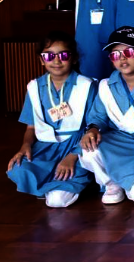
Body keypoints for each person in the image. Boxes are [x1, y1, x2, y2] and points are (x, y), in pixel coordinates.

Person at [7, 31, 95, 208]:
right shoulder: (35, 87)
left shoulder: (87, 85)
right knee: (18, 168)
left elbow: (94, 126)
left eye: (64, 55)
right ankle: (54, 183)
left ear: (74, 58)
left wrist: (73, 156)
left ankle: (70, 182)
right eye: (49, 56)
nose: (56, 61)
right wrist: (25, 146)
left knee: (57, 201)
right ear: (41, 60)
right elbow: (31, 127)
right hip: (46, 147)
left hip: (76, 145)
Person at [79, 27, 134, 205]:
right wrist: (92, 129)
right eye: (115, 54)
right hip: (117, 144)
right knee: (88, 148)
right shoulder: (106, 86)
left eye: (129, 52)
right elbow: (98, 118)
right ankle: (111, 184)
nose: (122, 58)